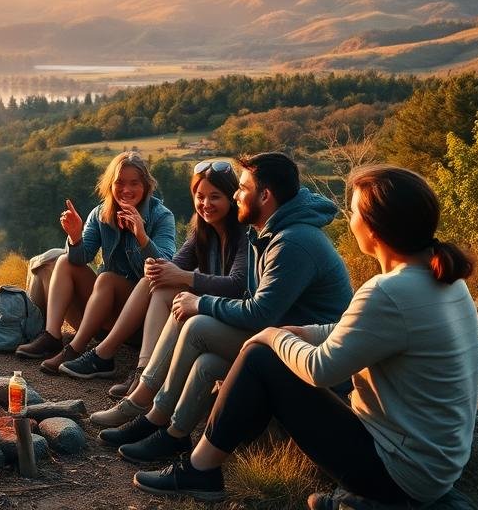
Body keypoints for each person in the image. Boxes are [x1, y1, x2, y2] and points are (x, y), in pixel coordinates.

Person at [132, 165, 478, 508]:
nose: (350, 219)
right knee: (260, 353)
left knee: (261, 357)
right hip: (434, 466)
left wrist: (272, 336)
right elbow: (359, 330)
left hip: (399, 470)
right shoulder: (443, 279)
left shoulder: (388, 290)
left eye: (354, 211)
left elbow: (320, 370)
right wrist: (305, 332)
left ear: (375, 227)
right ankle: (200, 453)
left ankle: (199, 468)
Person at [102, 152, 353, 465]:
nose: (237, 195)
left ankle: (151, 415)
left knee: (195, 323)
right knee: (206, 361)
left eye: (242, 188)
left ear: (265, 195)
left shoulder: (294, 242)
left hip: (311, 355)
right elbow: (253, 302)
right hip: (280, 339)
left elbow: (259, 312)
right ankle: (174, 435)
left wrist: (200, 302)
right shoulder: (269, 232)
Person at [84, 159, 249, 422]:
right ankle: (142, 373)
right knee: (157, 283)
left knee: (169, 288)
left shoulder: (244, 233)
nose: (206, 204)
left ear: (232, 198)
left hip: (235, 316)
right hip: (213, 310)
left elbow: (238, 285)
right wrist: (154, 263)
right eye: (200, 196)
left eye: (215, 197)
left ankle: (140, 390)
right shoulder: (203, 231)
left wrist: (182, 276)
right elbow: (171, 266)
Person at [17, 152, 177, 374]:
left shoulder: (162, 217)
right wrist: (75, 237)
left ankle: (77, 349)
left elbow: (166, 267)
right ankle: (52, 336)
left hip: (139, 321)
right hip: (102, 311)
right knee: (64, 261)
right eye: (119, 183)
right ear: (110, 184)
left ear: (146, 186)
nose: (126, 190)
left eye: (134, 183)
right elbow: (80, 258)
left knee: (108, 278)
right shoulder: (101, 214)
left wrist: (141, 236)